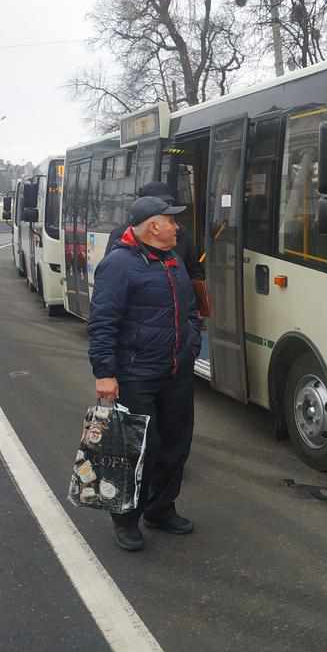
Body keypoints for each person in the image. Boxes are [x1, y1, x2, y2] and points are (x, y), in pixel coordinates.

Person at [88, 196, 201, 551]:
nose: (177, 226)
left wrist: (191, 346)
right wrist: (105, 374)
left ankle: (160, 509)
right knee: (137, 450)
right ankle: (126, 519)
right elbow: (103, 323)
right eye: (171, 220)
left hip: (176, 373)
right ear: (154, 225)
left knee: (175, 446)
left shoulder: (172, 261)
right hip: (137, 375)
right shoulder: (119, 265)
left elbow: (190, 311)